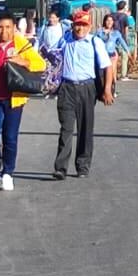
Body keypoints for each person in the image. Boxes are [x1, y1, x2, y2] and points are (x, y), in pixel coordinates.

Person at [0, 11, 45, 193]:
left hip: (14, 100)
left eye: (8, 27)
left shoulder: (20, 44)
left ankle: (8, 173)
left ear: (14, 28)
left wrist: (24, 62)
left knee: (10, 138)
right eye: (0, 27)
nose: (4, 31)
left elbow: (41, 64)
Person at [52, 10, 114, 180]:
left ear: (90, 26)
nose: (80, 29)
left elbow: (107, 66)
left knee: (85, 128)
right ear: (73, 25)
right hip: (67, 87)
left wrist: (107, 89)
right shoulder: (65, 40)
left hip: (87, 87)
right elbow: (53, 57)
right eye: (77, 25)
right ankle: (61, 168)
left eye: (83, 25)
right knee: (66, 128)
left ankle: (83, 166)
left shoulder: (95, 42)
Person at [99, 12, 128, 82]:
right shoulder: (99, 32)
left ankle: (113, 89)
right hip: (102, 56)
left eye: (111, 21)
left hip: (112, 56)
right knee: (102, 74)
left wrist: (128, 51)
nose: (109, 22)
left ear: (113, 22)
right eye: (107, 20)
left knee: (112, 72)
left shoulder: (116, 33)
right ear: (104, 21)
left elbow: (123, 42)